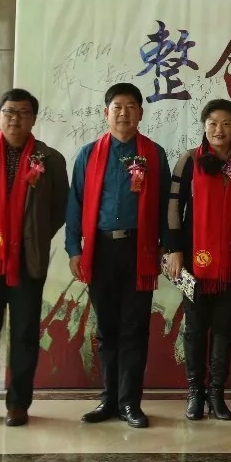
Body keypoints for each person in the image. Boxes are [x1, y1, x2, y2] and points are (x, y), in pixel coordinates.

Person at [0, 88, 68, 428]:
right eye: (9, 112)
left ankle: (18, 404)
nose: (15, 119)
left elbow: (58, 209)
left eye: (23, 113)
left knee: (23, 336)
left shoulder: (50, 159)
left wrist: (31, 238)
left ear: (33, 119)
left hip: (27, 261)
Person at [66, 82, 171, 429]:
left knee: (134, 329)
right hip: (99, 250)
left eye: (130, 107)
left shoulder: (154, 154)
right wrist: (74, 249)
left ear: (140, 113)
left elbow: (166, 206)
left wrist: (165, 247)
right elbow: (75, 204)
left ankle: (130, 403)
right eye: (117, 107)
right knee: (106, 329)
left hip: (139, 249)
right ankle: (108, 399)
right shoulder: (88, 154)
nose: (123, 113)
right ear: (106, 113)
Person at [166, 99, 231, 422]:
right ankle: (195, 393)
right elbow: (174, 207)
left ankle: (217, 394)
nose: (219, 129)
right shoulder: (189, 160)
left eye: (226, 123)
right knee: (195, 327)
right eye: (213, 123)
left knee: (224, 328)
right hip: (193, 262)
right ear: (204, 126)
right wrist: (174, 249)